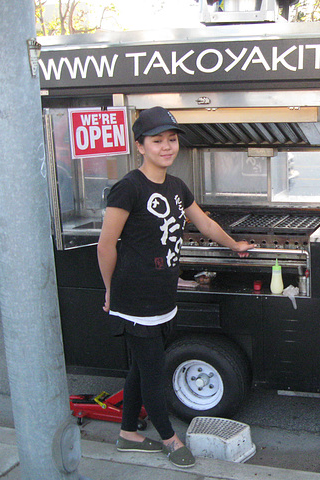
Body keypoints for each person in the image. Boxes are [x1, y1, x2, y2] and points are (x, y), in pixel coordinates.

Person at [97, 106, 254, 468]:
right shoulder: (128, 188)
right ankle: (169, 438)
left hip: (162, 294)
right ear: (140, 146)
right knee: (153, 370)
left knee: (141, 366)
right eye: (157, 141)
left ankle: (127, 435)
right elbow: (107, 245)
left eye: (171, 140)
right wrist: (109, 291)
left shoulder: (176, 187)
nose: (166, 147)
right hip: (134, 297)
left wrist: (235, 245)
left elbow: (205, 223)